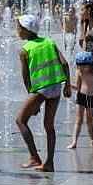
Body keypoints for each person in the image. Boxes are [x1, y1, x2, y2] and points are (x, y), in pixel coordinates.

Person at [15, 14, 71, 172]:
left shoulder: (25, 50)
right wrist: (68, 85)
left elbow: (26, 78)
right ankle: (49, 163)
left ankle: (34, 157)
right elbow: (65, 63)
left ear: (25, 30)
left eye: (18, 27)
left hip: (41, 89)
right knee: (49, 125)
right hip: (56, 87)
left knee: (20, 121)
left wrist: (33, 98)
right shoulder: (49, 42)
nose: (17, 30)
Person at [68, 51, 93, 149]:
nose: (82, 68)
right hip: (81, 96)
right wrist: (69, 86)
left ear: (91, 64)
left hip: (90, 97)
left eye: (84, 66)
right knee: (78, 120)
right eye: (80, 66)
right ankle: (74, 142)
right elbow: (78, 87)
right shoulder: (79, 72)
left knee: (89, 120)